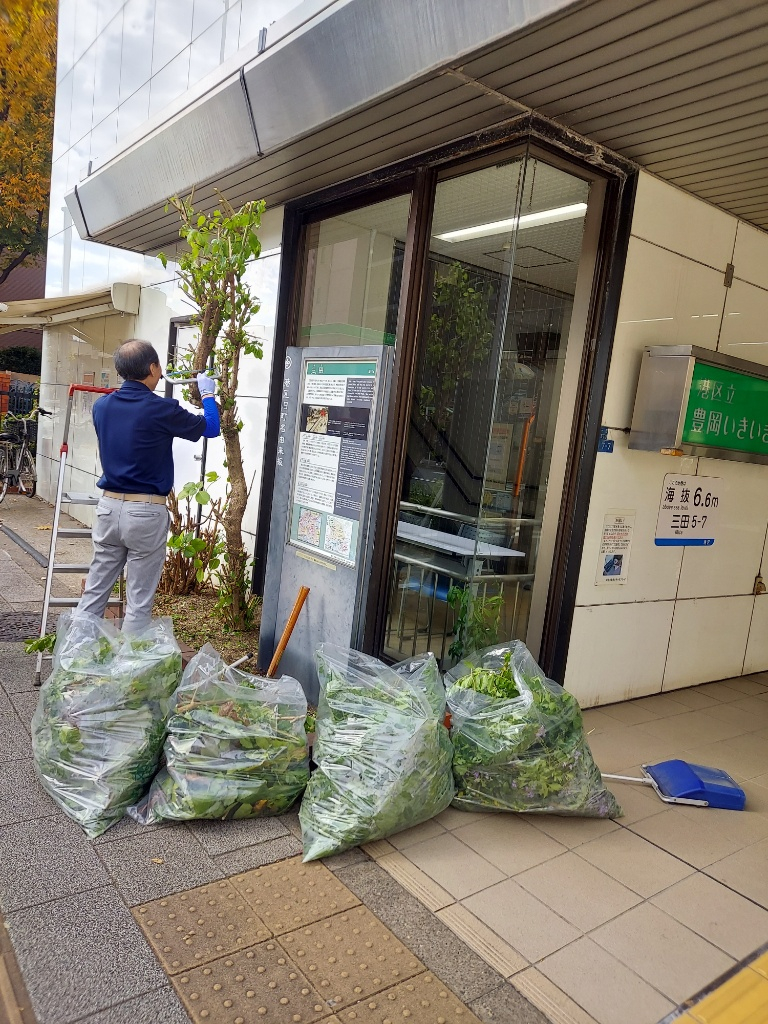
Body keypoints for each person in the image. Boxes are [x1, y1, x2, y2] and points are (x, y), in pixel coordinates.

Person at [76, 339, 220, 632]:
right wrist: (207, 394)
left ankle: (75, 654)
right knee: (139, 603)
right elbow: (211, 427)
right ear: (153, 368)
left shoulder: (102, 406)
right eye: (159, 367)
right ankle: (129, 662)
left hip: (108, 507)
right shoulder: (161, 409)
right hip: (145, 512)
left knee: (94, 594)